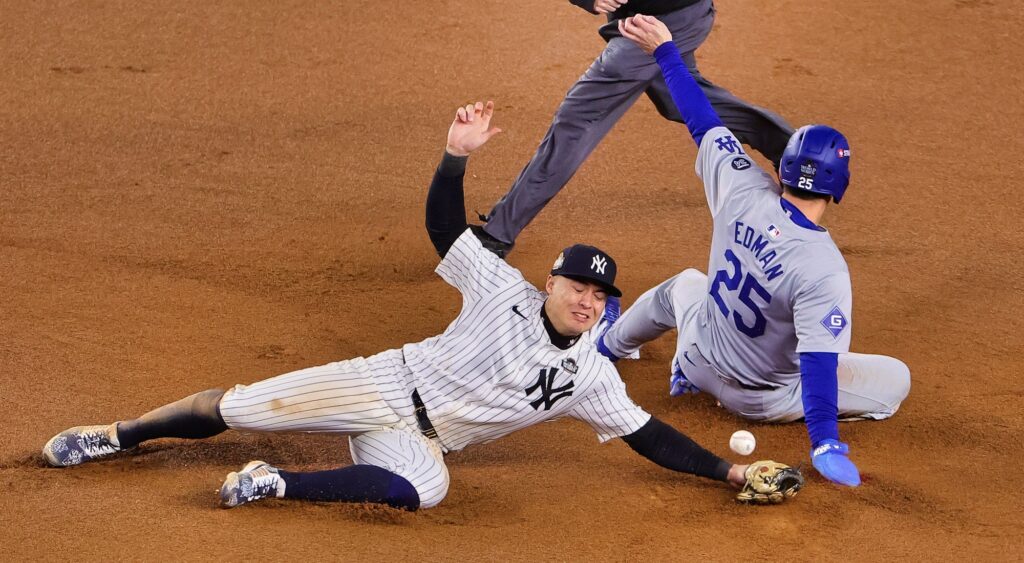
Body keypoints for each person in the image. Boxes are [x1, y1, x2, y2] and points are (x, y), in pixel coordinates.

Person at [42, 101, 779, 511]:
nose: (588, 300)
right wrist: (456, 154)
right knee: (237, 406)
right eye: (577, 286)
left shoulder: (593, 374)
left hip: (427, 438)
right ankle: (116, 434)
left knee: (423, 489)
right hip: (383, 383)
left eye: (599, 294)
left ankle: (274, 482)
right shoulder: (501, 290)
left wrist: (728, 473)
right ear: (550, 283)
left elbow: (650, 436)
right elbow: (443, 229)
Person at [597, 15, 911, 488]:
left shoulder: (742, 185)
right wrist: (823, 440)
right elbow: (818, 362)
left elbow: (701, 117)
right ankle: (813, 418)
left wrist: (666, 51)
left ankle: (606, 348)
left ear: (782, 168)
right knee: (895, 380)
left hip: (700, 357)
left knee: (683, 286)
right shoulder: (823, 267)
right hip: (760, 401)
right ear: (838, 187)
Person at [478, 0, 794, 254]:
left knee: (578, 116)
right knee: (679, 97)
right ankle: (791, 150)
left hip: (671, 17)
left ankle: (498, 233)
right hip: (647, 17)